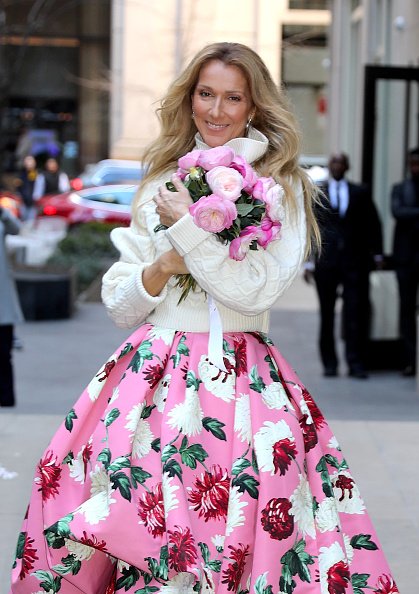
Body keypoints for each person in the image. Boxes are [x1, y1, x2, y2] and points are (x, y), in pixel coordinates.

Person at [9, 43, 398, 594]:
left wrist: (188, 231)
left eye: (233, 97)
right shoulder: (159, 183)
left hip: (242, 381)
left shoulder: (283, 188)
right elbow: (121, 305)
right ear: (189, 100)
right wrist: (166, 261)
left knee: (243, 521)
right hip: (148, 380)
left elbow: (252, 288)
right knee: (112, 508)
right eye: (206, 94)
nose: (217, 110)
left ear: (254, 106)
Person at [304, 153, 383, 379]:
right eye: (334, 162)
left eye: (341, 162)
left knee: (354, 313)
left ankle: (355, 362)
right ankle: (329, 363)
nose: (337, 166)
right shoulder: (319, 192)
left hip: (354, 262)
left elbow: (372, 223)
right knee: (327, 314)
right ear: (330, 166)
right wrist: (308, 263)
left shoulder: (360, 192)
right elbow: (311, 227)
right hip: (326, 262)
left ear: (347, 166)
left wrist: (377, 254)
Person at [391, 146, 419, 377]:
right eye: (413, 164)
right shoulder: (400, 189)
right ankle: (409, 360)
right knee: (406, 311)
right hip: (406, 260)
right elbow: (398, 211)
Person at [0, 205, 23, 407]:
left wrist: (2, 213)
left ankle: (6, 397)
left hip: (2, 296)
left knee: (4, 352)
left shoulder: (1, 217)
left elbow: (16, 228)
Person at [16, 155, 38, 221]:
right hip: (23, 202)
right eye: (27, 161)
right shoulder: (21, 174)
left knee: (31, 221)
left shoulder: (37, 174)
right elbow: (18, 187)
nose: (29, 163)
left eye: (30, 161)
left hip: (34, 203)